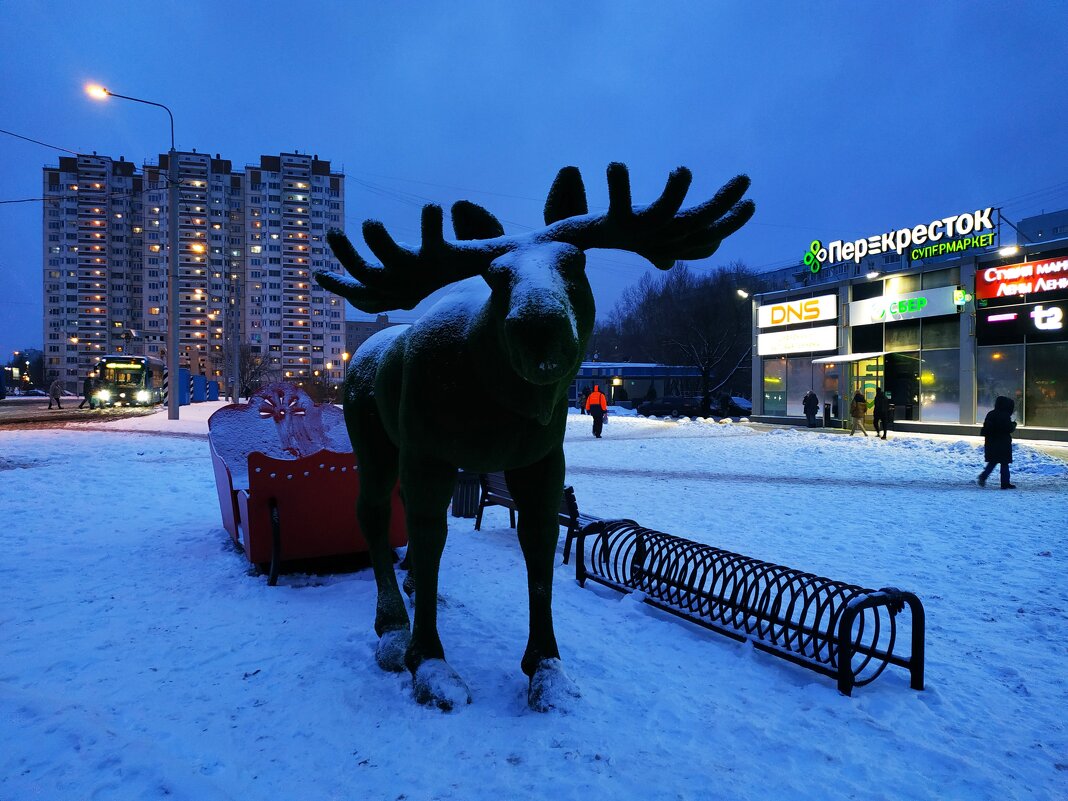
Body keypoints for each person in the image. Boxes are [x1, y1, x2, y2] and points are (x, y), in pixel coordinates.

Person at [978, 395, 1017, 489]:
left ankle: (983, 477)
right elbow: (1008, 428)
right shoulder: (1005, 415)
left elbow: (986, 428)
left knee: (992, 462)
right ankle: (1005, 483)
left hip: (992, 443)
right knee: (1004, 463)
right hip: (1003, 443)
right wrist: (1014, 425)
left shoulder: (991, 414)